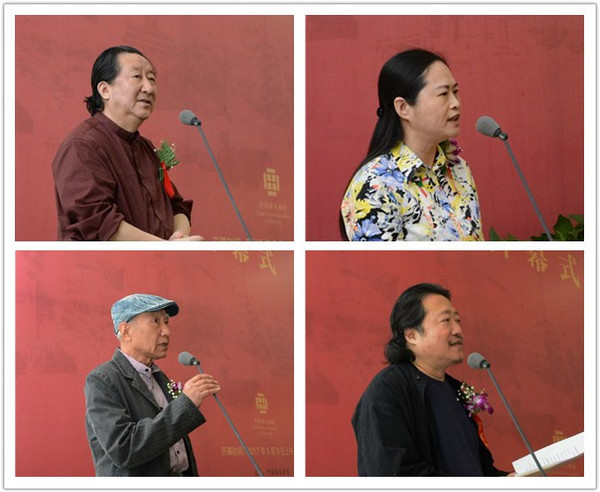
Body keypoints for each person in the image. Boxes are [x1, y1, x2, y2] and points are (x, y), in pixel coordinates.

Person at [352, 283, 510, 476]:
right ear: (412, 335)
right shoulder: (388, 390)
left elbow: (479, 471)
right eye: (446, 320)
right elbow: (392, 473)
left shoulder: (459, 391)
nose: (458, 330)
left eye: (458, 320)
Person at [52, 46, 203, 241]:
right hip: (106, 261)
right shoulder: (82, 145)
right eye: (136, 77)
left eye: (151, 78)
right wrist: (166, 248)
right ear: (105, 90)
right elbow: (98, 222)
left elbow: (176, 206)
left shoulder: (145, 148)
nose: (148, 88)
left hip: (159, 258)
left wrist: (180, 237)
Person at [340, 49, 483, 241]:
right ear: (403, 108)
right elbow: (378, 262)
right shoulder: (375, 187)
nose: (455, 103)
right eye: (443, 94)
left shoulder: (458, 170)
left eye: (455, 92)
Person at [84, 294, 220, 476]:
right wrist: (185, 404)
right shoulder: (102, 380)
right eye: (156, 321)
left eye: (167, 322)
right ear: (126, 331)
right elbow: (124, 448)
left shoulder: (160, 378)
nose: (167, 331)